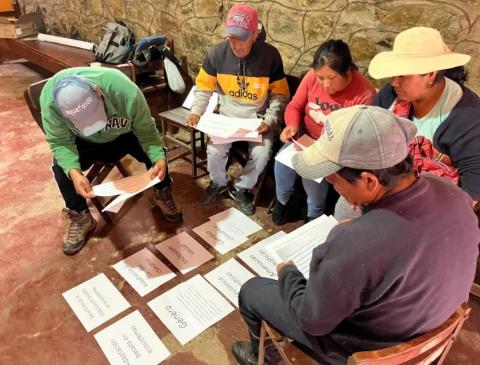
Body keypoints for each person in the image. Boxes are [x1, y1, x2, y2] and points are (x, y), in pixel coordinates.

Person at [232, 105, 479, 365]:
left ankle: (262, 358)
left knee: (252, 291)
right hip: (429, 327)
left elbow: (312, 320)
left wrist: (288, 273)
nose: (335, 188)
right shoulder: (451, 192)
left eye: (332, 181)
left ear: (369, 181)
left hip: (368, 347)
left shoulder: (355, 242)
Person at [40, 67, 182, 255]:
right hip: (83, 142)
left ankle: (161, 192)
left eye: (94, 115)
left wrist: (157, 157)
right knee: (61, 167)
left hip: (123, 134)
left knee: (158, 154)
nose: (92, 125)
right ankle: (82, 217)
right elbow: (60, 142)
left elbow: (147, 131)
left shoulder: (125, 91)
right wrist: (74, 172)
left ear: (98, 92)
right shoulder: (50, 102)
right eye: (85, 122)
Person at [187, 3, 289, 215]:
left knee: (262, 154)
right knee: (214, 151)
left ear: (254, 34)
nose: (236, 45)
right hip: (227, 118)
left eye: (242, 38)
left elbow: (280, 95)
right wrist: (197, 111)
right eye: (231, 38)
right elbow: (204, 88)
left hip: (257, 119)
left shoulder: (270, 56)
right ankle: (219, 182)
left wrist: (269, 121)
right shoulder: (216, 53)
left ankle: (242, 187)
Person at [368, 26, 480, 207]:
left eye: (402, 75)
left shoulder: (468, 118)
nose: (393, 82)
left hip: (435, 208)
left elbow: (472, 189)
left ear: (430, 74)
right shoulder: (392, 95)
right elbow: (369, 129)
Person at [272, 39, 376, 225]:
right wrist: (292, 125)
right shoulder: (312, 77)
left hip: (334, 149)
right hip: (305, 138)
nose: (325, 85)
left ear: (347, 71)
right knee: (282, 165)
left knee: (312, 177)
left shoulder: (364, 93)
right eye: (321, 78)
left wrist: (322, 149)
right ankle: (282, 203)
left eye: (332, 78)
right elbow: (295, 106)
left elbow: (356, 139)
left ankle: (314, 216)